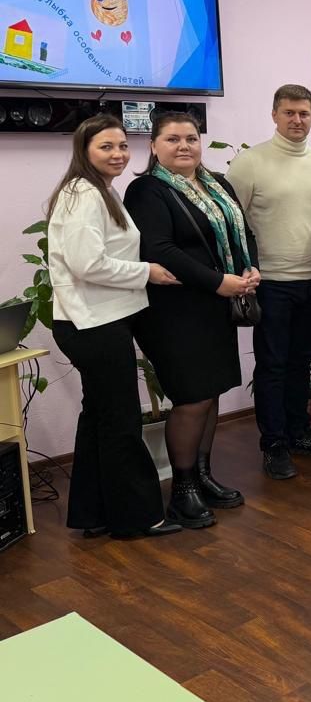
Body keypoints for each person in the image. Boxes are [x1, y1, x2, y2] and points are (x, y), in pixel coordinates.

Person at [46, 114, 181, 540]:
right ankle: (137, 518)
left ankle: (94, 514)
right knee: (121, 422)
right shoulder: (83, 195)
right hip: (93, 325)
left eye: (122, 145)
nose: (118, 154)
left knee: (100, 418)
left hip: (98, 320)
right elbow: (87, 264)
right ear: (84, 150)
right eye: (106, 146)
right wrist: (147, 272)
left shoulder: (100, 190)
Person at [124, 112, 259, 529]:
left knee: (211, 390)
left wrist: (250, 267)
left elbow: (243, 231)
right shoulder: (147, 190)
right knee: (191, 396)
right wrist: (219, 281)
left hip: (216, 305)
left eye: (191, 138)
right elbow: (160, 249)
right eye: (172, 139)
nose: (183, 145)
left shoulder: (217, 183)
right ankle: (182, 492)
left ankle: (202, 476)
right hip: (173, 309)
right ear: (154, 146)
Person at [227, 84, 311, 481]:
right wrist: (245, 270)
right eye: (289, 112)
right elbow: (232, 223)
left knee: (301, 362)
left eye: (304, 113)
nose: (297, 120)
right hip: (270, 282)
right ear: (274, 114)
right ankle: (273, 443)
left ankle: (298, 432)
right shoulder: (249, 164)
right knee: (272, 365)